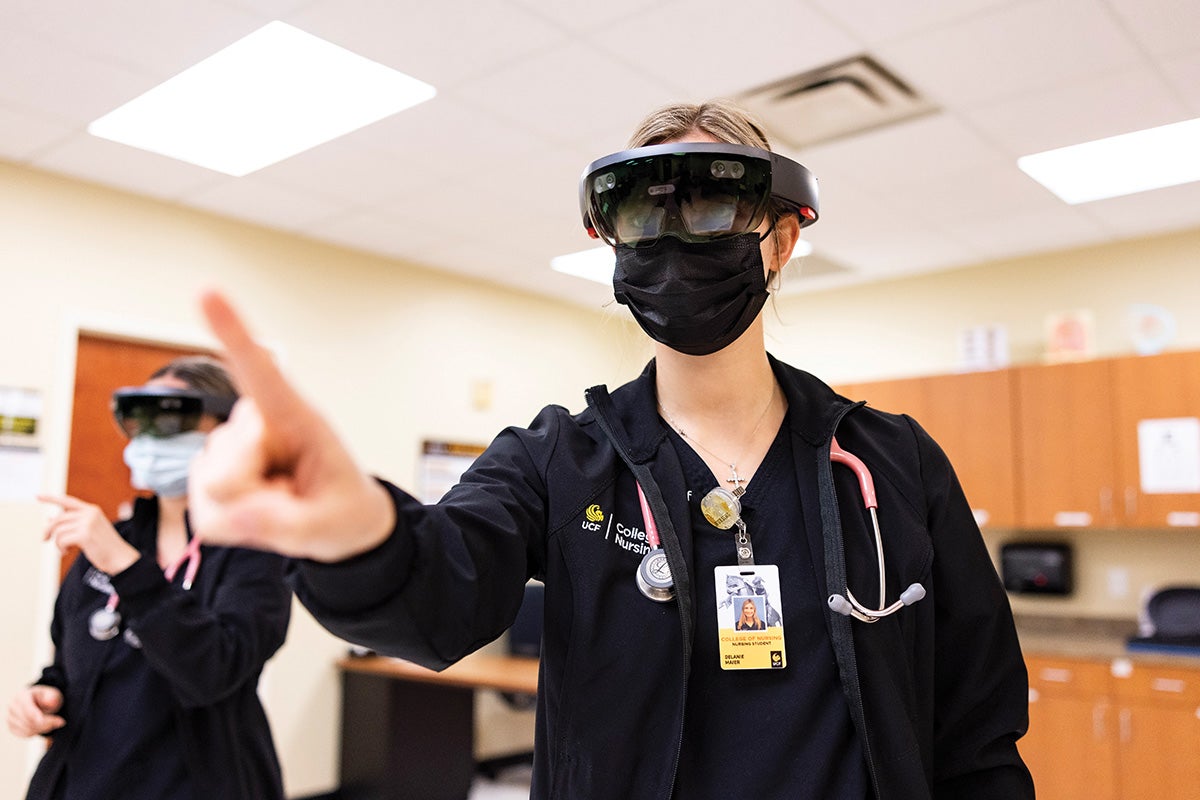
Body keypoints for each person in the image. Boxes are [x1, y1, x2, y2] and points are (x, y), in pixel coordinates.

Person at [187, 100, 1034, 799]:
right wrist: (359, 534)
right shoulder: (559, 460)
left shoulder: (896, 462)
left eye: (712, 205)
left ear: (782, 239)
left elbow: (979, 732)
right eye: (644, 212)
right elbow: (440, 590)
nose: (675, 240)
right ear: (611, 245)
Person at [8, 356, 292, 800]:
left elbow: (212, 671)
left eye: (172, 419)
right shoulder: (113, 542)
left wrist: (126, 568)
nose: (151, 438)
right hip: (81, 782)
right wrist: (46, 693)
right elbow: (70, 660)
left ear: (227, 434)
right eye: (141, 422)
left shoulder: (254, 551)